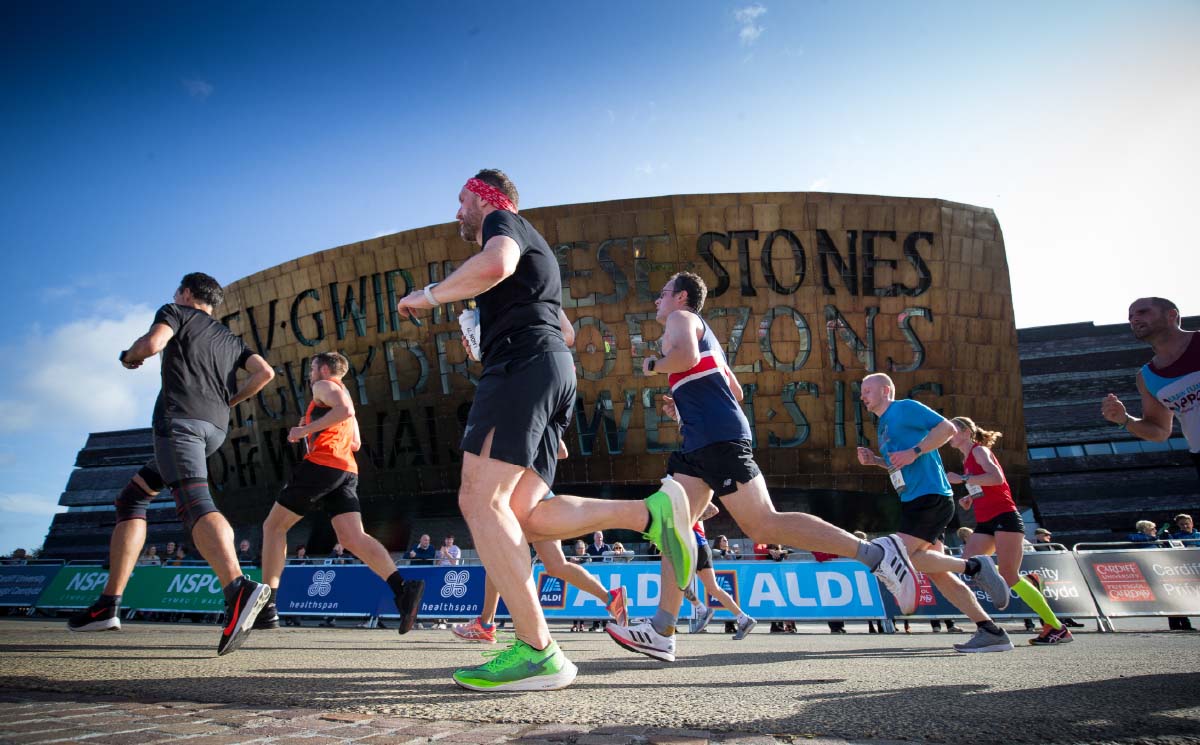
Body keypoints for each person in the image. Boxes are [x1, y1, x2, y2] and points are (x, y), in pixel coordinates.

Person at [397, 170, 686, 691]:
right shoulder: (537, 253)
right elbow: (565, 330)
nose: (457, 212)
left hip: (521, 369)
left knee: (478, 500)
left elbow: (497, 262)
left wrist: (430, 295)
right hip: (549, 370)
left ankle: (537, 650)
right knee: (521, 515)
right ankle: (652, 513)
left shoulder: (503, 223)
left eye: (462, 200)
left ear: (486, 198)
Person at [543, 272, 917, 663]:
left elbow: (685, 358)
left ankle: (875, 553)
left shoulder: (681, 318)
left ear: (681, 297)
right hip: (702, 438)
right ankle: (661, 629)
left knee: (762, 524)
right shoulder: (708, 337)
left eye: (662, 293)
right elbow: (734, 390)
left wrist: (657, 364)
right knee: (673, 523)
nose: (657, 301)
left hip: (716, 437)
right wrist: (686, 399)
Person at [67, 272, 275, 656]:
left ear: (185, 293)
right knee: (131, 499)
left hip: (179, 424)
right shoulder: (231, 339)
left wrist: (129, 357)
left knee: (195, 503)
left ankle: (238, 588)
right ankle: (107, 604)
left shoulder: (176, 312)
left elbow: (152, 344)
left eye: (177, 292)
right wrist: (230, 402)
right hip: (213, 429)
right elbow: (265, 373)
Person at [257, 352, 425, 634]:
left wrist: (304, 430)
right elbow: (356, 442)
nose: (310, 373)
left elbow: (344, 412)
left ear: (324, 369)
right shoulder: (343, 396)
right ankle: (402, 589)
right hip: (346, 471)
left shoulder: (324, 386)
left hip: (322, 466)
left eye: (311, 367)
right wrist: (316, 427)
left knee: (273, 526)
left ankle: (268, 607)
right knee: (353, 537)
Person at [856, 373, 1013, 653]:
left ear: (885, 390)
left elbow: (947, 429)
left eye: (868, 390)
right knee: (936, 571)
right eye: (862, 392)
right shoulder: (883, 425)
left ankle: (974, 566)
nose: (862, 396)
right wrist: (877, 461)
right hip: (915, 498)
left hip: (930, 496)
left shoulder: (904, 407)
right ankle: (990, 631)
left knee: (903, 555)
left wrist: (915, 450)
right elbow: (900, 464)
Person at [946, 416, 1072, 645]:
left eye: (951, 430)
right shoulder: (967, 458)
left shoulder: (979, 451)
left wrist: (963, 478)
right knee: (967, 563)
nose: (948, 435)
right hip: (985, 521)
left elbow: (997, 478)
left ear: (965, 432)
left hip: (1005, 517)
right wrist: (970, 497)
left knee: (1009, 576)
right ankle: (1030, 582)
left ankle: (1057, 627)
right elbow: (986, 485)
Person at [1101, 297, 1199, 480]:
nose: (1133, 319)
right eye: (1130, 316)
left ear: (1171, 315)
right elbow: (1159, 431)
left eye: (1142, 312)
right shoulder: (1146, 377)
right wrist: (1125, 419)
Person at [686, 502, 757, 638]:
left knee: (679, 583)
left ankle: (702, 610)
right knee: (713, 588)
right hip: (699, 547)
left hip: (696, 548)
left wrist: (690, 518)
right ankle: (743, 619)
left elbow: (713, 510)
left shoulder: (689, 493)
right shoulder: (681, 496)